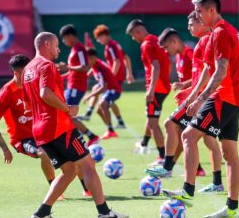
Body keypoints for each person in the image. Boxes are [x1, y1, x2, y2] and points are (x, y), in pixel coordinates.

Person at [22, 31, 128, 218]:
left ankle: (42, 213)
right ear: (46, 44)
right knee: (88, 164)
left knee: (69, 170)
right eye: (55, 45)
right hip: (58, 126)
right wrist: (67, 109)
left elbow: (29, 104)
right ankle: (104, 212)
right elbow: (45, 93)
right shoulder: (47, 65)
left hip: (40, 130)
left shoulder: (28, 69)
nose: (58, 49)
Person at [163, 0, 239, 218]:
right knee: (229, 153)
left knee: (188, 136)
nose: (196, 16)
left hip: (223, 98)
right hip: (232, 98)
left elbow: (220, 72)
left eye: (199, 11)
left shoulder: (220, 33)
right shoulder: (215, 34)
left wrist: (200, 99)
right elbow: (208, 70)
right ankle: (231, 207)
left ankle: (188, 191)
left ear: (212, 10)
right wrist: (192, 97)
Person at [146, 18, 223, 192]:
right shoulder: (182, 55)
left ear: (174, 41)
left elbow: (206, 76)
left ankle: (167, 167)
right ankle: (215, 181)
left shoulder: (191, 52)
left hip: (199, 101)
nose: (166, 51)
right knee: (207, 140)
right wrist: (184, 86)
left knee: (171, 125)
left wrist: (189, 93)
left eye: (166, 47)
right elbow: (198, 78)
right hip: (196, 100)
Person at [0, 54, 61, 197]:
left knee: (74, 153)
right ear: (16, 73)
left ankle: (86, 189)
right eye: (26, 72)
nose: (30, 74)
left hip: (42, 131)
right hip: (23, 139)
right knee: (44, 154)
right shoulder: (6, 93)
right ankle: (54, 189)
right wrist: (4, 149)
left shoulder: (34, 83)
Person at [126, 19, 170, 165]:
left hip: (156, 88)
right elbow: (166, 63)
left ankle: (162, 156)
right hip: (163, 86)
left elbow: (155, 66)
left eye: (133, 35)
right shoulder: (157, 40)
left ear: (138, 31)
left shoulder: (146, 44)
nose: (134, 39)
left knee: (152, 122)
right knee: (151, 118)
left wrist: (151, 89)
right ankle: (144, 144)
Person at [79, 24, 134, 128]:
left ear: (104, 35)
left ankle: (89, 114)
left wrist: (110, 77)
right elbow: (126, 57)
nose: (98, 41)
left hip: (115, 78)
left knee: (101, 95)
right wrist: (129, 73)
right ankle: (120, 122)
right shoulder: (115, 44)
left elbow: (117, 61)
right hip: (118, 77)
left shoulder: (110, 46)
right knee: (109, 100)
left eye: (99, 38)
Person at [57, 24, 99, 146]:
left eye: (64, 39)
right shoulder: (74, 49)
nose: (64, 42)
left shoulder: (79, 49)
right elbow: (72, 71)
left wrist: (67, 67)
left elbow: (85, 67)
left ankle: (89, 137)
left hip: (76, 87)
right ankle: (85, 137)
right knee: (64, 113)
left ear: (70, 36)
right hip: (72, 86)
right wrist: (59, 77)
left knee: (67, 114)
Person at [83, 48, 122, 139]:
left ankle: (111, 130)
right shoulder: (95, 64)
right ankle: (111, 130)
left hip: (114, 90)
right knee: (99, 111)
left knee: (102, 104)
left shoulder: (101, 68)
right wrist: (84, 77)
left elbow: (103, 87)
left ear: (93, 58)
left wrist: (89, 96)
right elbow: (92, 71)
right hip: (108, 90)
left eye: (87, 58)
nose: (85, 61)